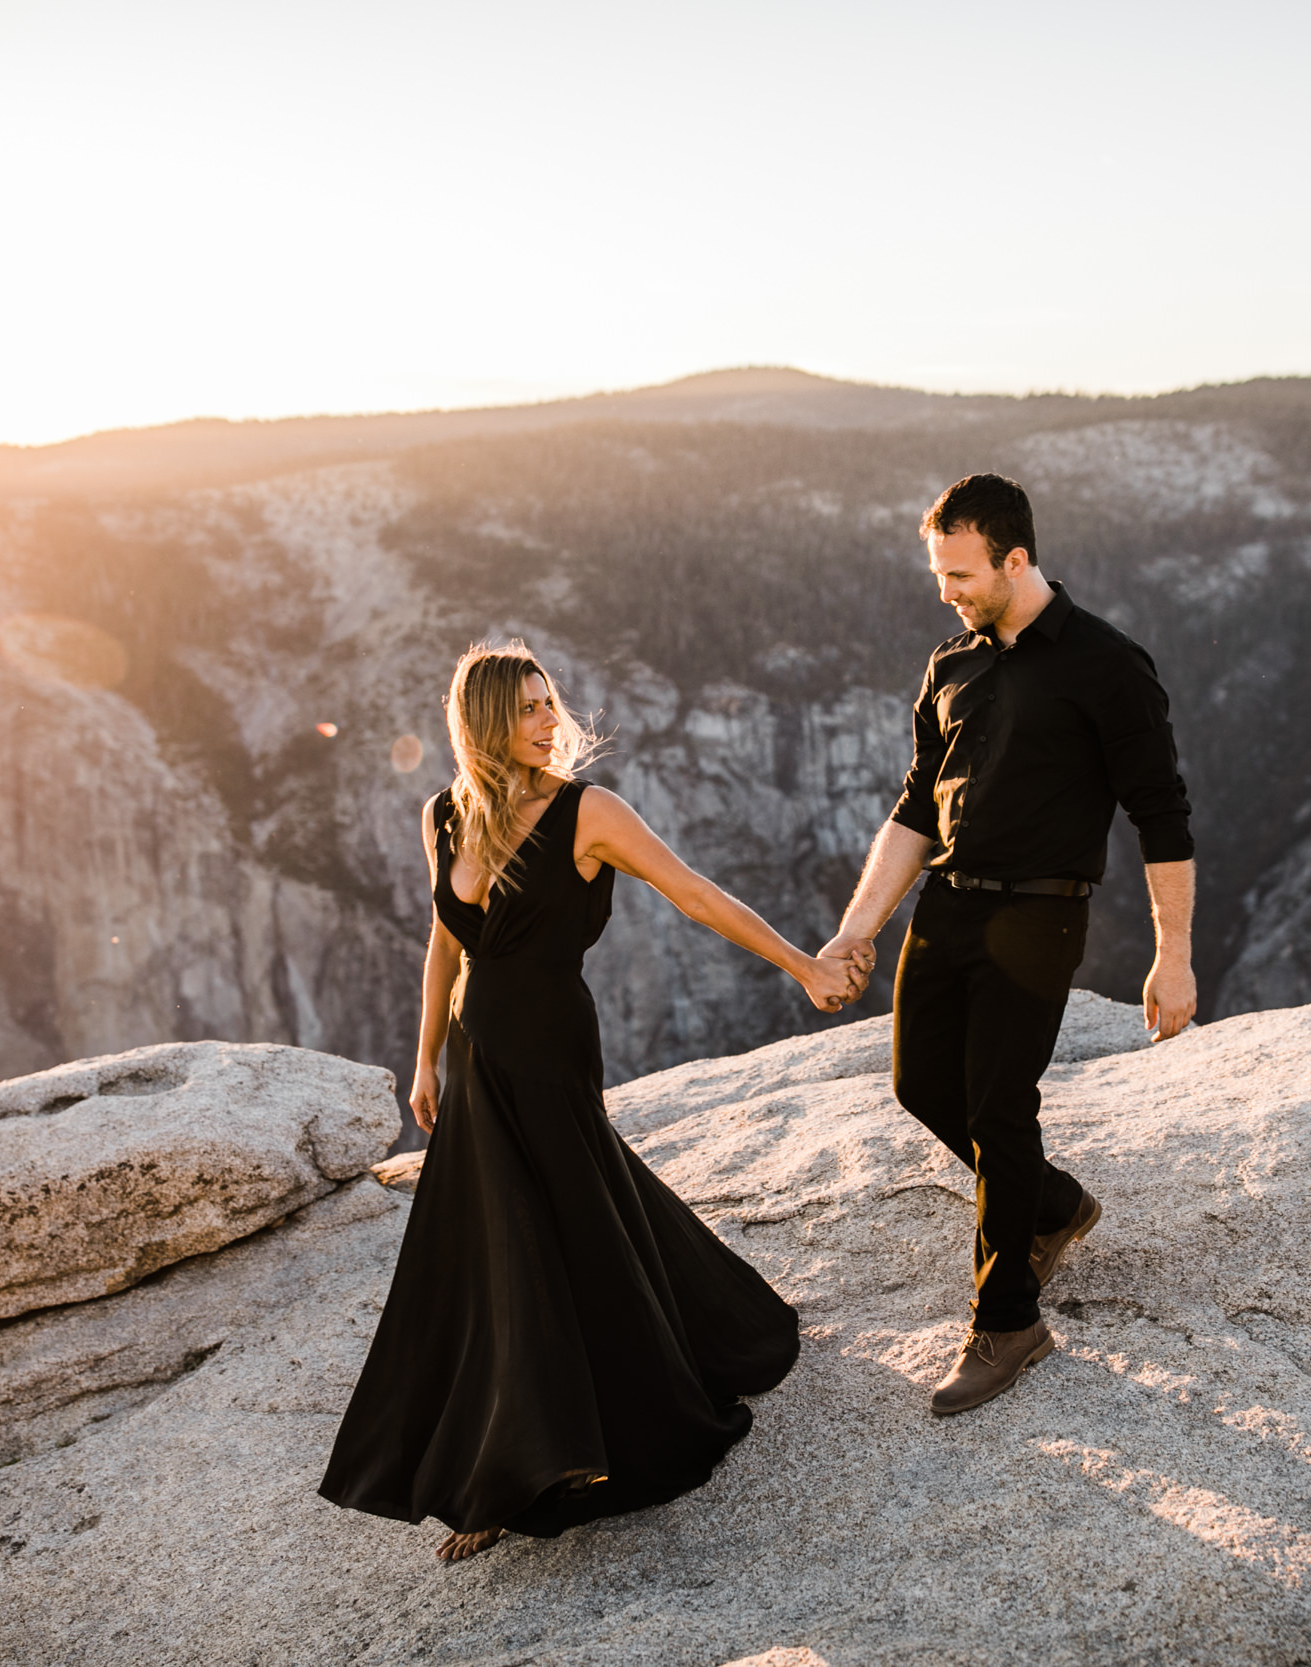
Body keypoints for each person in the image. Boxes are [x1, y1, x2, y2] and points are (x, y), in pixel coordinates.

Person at [319, 643, 869, 1562]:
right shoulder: (445, 815)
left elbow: (694, 894)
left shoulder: (589, 810)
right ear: (483, 722)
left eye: (549, 701)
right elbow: (444, 945)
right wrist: (423, 1060)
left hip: (548, 1046)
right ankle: (509, 1454)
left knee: (550, 1223)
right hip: (475, 1052)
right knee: (500, 1240)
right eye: (527, 707)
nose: (549, 719)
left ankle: (531, 1459)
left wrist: (804, 965)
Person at [821, 473, 1197, 1417]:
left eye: (961, 573)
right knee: (920, 1086)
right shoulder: (951, 663)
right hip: (945, 908)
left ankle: (1008, 1320)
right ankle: (1054, 1205)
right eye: (939, 572)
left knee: (998, 1105)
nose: (946, 590)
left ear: (1017, 559)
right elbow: (915, 806)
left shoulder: (1109, 665)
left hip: (1040, 913)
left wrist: (1174, 952)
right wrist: (855, 930)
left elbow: (1162, 816)